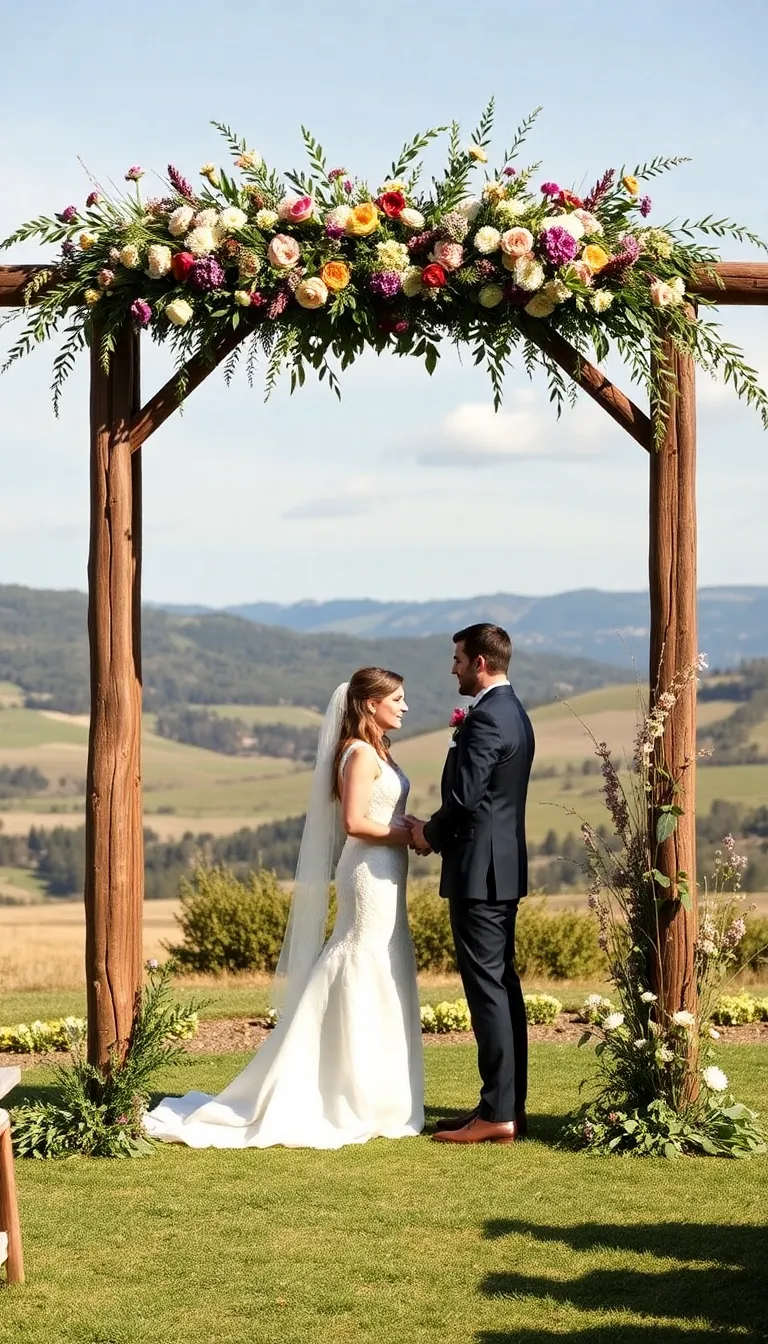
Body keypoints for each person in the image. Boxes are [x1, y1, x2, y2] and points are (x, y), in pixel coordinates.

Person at [144, 668, 424, 1149]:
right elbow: (356, 822)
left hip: (388, 869)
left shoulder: (381, 751)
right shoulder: (357, 754)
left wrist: (412, 826)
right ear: (370, 705)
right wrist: (409, 835)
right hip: (368, 869)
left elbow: (383, 813)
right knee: (360, 959)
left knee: (387, 960)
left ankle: (381, 1093)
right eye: (396, 699)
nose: (404, 707)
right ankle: (343, 1090)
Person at [409, 624, 535, 1145]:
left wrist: (426, 834)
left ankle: (499, 1114)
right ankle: (503, 1104)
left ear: (481, 661)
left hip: (478, 873)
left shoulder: (486, 719)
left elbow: (464, 798)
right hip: (500, 868)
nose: (453, 668)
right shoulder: (515, 712)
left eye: (459, 659)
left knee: (488, 991)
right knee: (502, 987)